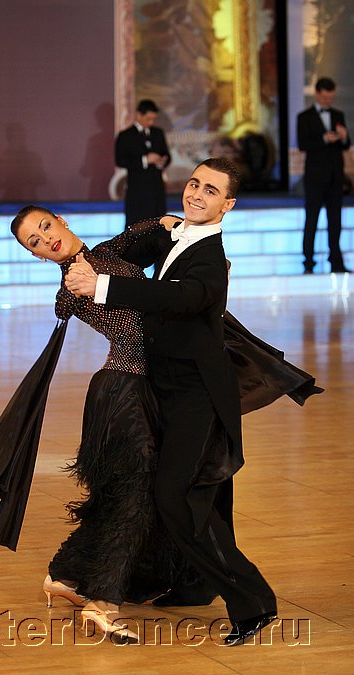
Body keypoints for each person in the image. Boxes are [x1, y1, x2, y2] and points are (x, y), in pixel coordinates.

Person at [0, 197, 322, 646]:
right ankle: (102, 602)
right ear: (36, 255)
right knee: (137, 499)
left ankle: (66, 575)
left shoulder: (105, 254)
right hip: (124, 393)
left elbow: (141, 236)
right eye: (35, 242)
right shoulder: (75, 283)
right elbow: (138, 314)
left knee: (135, 494)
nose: (47, 239)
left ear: (61, 220)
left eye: (46, 226)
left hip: (149, 388)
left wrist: (167, 224)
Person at [65, 158, 280, 646]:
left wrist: (100, 286)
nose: (197, 194)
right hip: (166, 389)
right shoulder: (175, 236)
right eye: (194, 183)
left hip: (198, 394)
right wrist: (150, 227)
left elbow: (179, 299)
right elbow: (117, 251)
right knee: (200, 494)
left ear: (228, 205)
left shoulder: (210, 260)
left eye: (211, 190)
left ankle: (254, 602)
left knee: (176, 495)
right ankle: (195, 584)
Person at [297, 77, 351, 274]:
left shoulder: (338, 115)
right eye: (326, 97)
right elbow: (303, 144)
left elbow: (346, 145)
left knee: (335, 220)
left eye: (331, 97)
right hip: (315, 177)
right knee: (311, 219)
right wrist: (323, 139)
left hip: (336, 176)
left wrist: (344, 137)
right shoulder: (304, 117)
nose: (329, 100)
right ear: (317, 94)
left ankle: (336, 261)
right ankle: (308, 262)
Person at [115, 99, 171, 229]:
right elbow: (120, 160)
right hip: (137, 189)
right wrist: (145, 160)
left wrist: (162, 161)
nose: (151, 122)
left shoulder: (158, 133)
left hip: (156, 188)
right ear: (139, 115)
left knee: (158, 225)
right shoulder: (125, 136)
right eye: (148, 119)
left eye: (153, 119)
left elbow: (167, 155)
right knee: (136, 226)